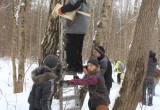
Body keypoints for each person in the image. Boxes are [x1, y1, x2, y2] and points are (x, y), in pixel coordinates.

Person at [58, 0, 88, 73]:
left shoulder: (77, 1)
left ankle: (72, 67)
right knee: (77, 49)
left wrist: (62, 9)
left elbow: (73, 5)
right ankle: (78, 67)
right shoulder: (83, 2)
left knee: (71, 48)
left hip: (75, 29)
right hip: (81, 28)